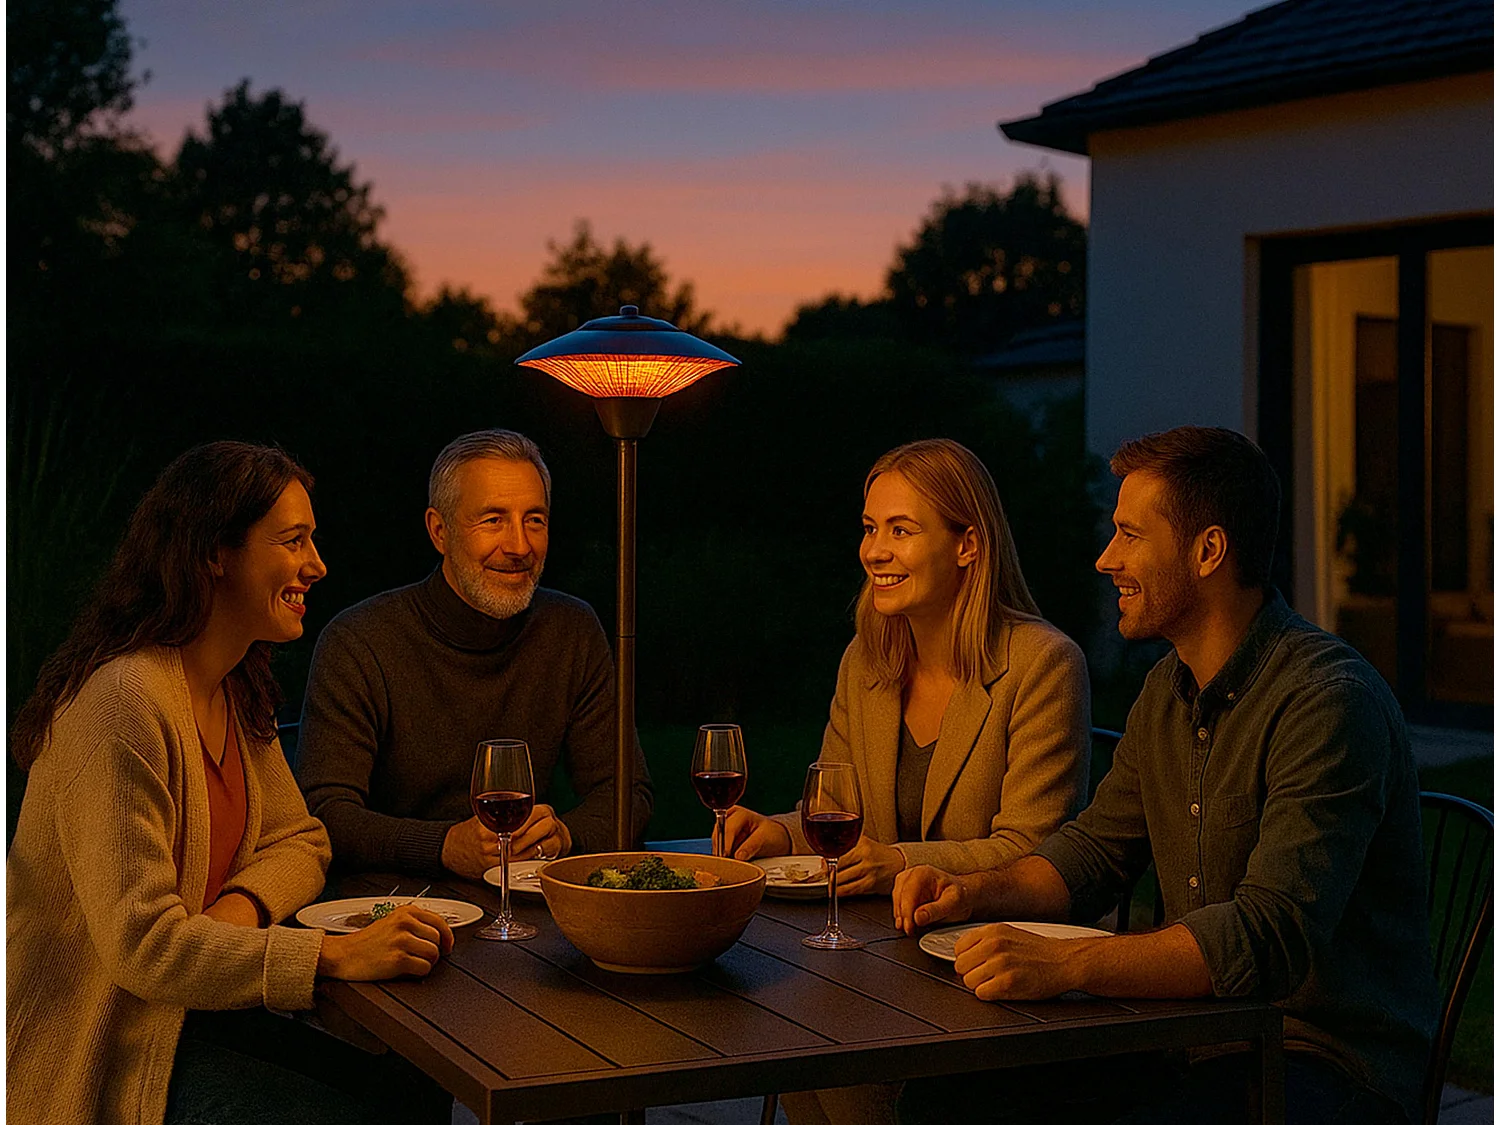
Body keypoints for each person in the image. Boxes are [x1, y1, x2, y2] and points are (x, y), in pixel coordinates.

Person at [894, 426, 1438, 1125]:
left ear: (1208, 551)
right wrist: (974, 891)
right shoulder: (1166, 692)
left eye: (1129, 534)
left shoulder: (1327, 701)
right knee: (947, 1096)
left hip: (1324, 1062)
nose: (1105, 558)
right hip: (1193, 1036)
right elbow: (1095, 851)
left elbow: (1267, 934)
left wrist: (1069, 966)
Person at [7, 442, 456, 1125]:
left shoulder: (235, 687)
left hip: (194, 1016)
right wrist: (331, 955)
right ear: (215, 551)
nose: (318, 564)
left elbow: (302, 840)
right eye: (293, 540)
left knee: (414, 1084)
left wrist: (237, 910)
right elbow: (146, 947)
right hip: (108, 1049)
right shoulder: (124, 701)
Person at [726, 438, 1089, 893]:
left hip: (989, 944)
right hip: (879, 936)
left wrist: (900, 862)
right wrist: (779, 834)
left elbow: (1033, 850)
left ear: (967, 545)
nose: (874, 551)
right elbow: (836, 815)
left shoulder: (1043, 665)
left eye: (900, 530)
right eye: (870, 528)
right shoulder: (865, 660)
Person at [297, 429, 652, 878]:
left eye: (535, 519)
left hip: (526, 904)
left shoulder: (571, 630)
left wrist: (564, 836)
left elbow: (627, 793)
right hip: (390, 912)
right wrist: (442, 846)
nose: (519, 545)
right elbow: (324, 812)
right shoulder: (360, 641)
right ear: (439, 531)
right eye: (493, 520)